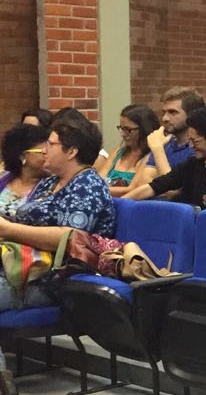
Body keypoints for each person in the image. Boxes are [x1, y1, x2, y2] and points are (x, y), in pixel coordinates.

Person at [0, 114, 116, 310]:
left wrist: (9, 230)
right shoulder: (50, 182)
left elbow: (69, 238)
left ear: (71, 152)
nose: (44, 150)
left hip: (52, 279)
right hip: (20, 264)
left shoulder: (87, 186)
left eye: (51, 144)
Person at [125, 105, 206, 210]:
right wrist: (121, 203)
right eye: (189, 140)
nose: (191, 146)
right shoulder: (193, 164)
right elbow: (155, 186)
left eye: (195, 141)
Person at [135, 87, 205, 189]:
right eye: (164, 112)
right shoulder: (165, 143)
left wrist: (158, 150)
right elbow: (143, 182)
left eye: (172, 112)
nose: (165, 118)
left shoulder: (199, 148)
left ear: (192, 115)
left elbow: (171, 190)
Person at [94, 104, 159, 197]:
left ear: (144, 129)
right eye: (121, 128)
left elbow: (133, 189)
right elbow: (98, 181)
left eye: (128, 129)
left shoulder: (150, 157)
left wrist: (96, 190)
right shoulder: (117, 153)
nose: (123, 134)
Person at [0, 124, 48, 218]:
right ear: (22, 155)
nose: (49, 156)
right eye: (43, 152)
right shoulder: (3, 178)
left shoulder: (52, 186)